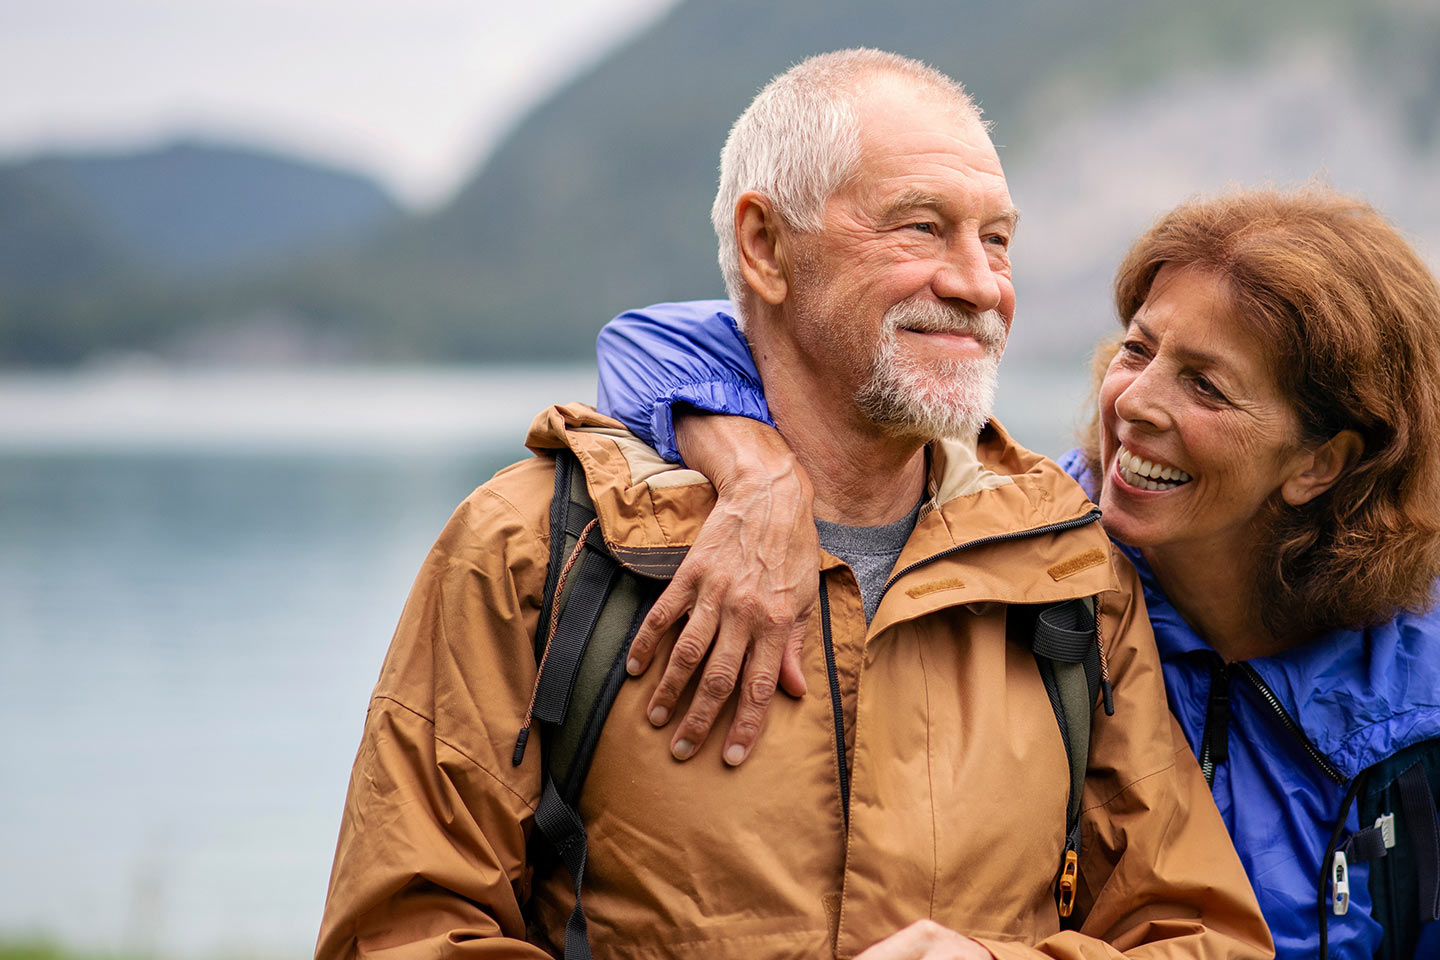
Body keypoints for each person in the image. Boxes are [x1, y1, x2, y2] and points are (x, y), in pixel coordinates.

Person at [316, 49, 1271, 959]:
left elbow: (1202, 936)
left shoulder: (1063, 564)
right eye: (920, 227)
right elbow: (401, 932)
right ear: (765, 247)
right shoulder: (535, 546)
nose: (980, 284)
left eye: (997, 239)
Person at [592, 187, 1440, 959]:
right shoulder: (1031, 552)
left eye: (1207, 388)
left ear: (1320, 463)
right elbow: (648, 339)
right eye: (1138, 349)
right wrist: (750, 466)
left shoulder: (1420, 694)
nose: (1135, 403)